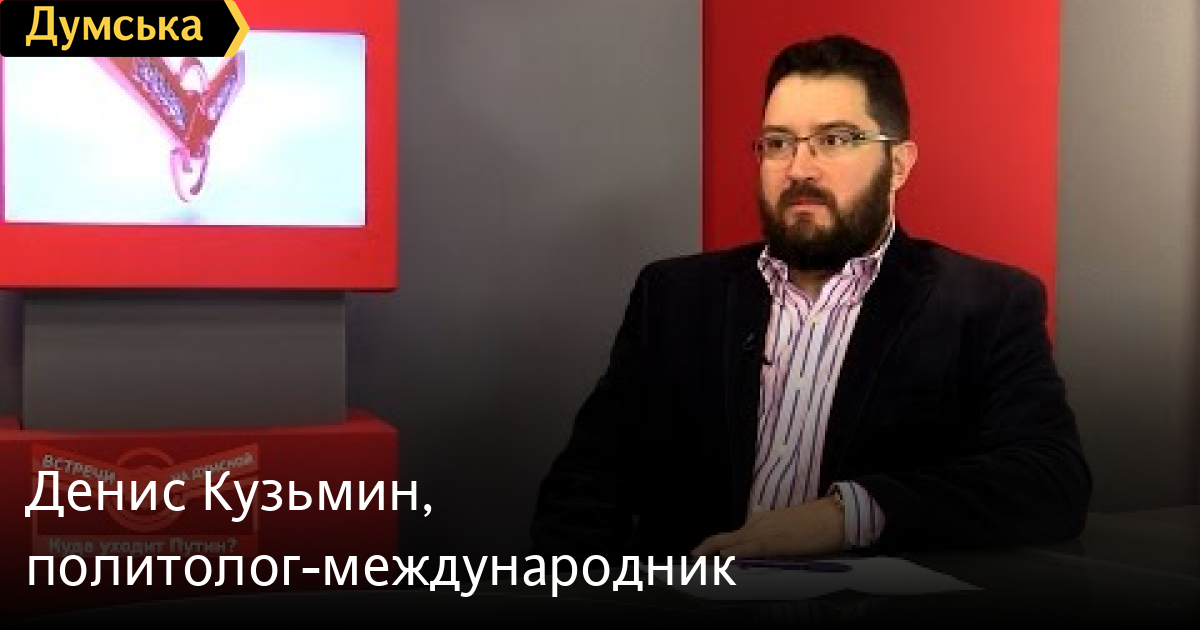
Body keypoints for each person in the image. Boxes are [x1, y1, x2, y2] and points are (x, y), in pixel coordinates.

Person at [530, 34, 1092, 560]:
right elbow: (587, 482)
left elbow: (1051, 481)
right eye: (778, 143)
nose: (799, 168)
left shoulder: (988, 305)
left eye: (835, 140)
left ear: (898, 164)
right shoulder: (675, 298)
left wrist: (844, 516)